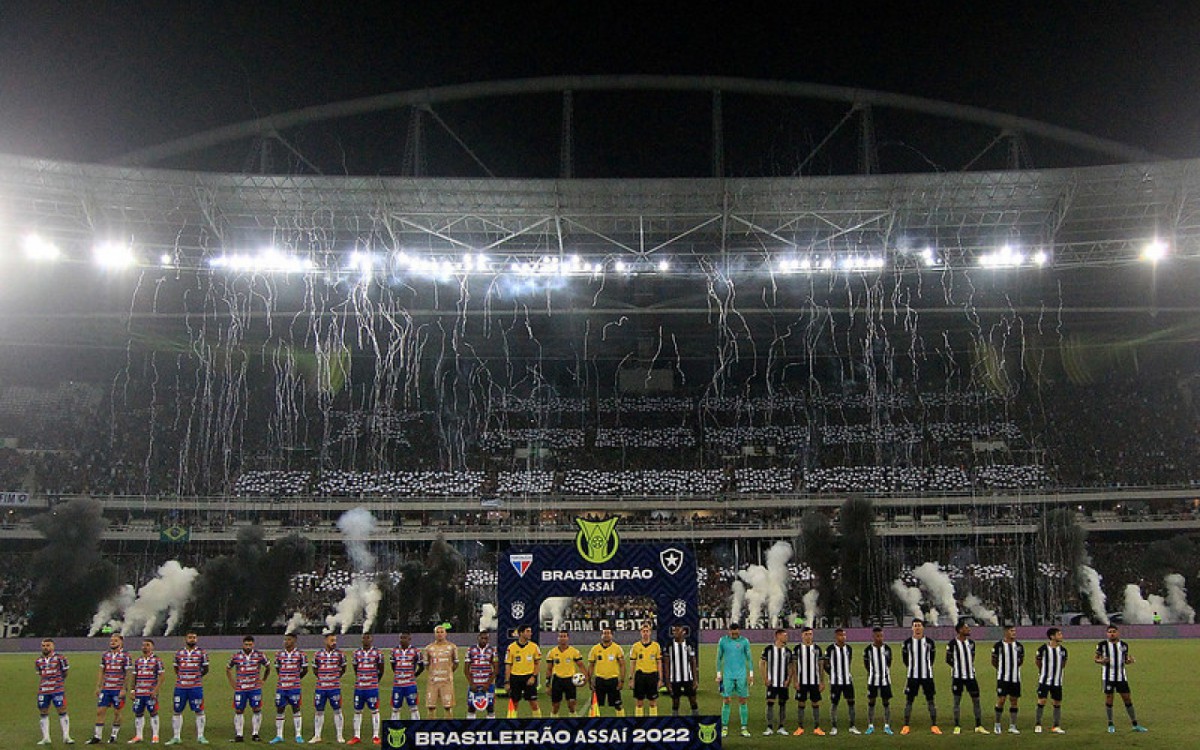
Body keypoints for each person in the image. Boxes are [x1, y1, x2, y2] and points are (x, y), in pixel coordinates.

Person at [1094, 624, 1148, 733]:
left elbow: (1125, 659)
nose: (1112, 633)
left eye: (1114, 631)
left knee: (1127, 699)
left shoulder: (1124, 645)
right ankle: (1110, 723)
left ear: (1118, 633)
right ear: (1107, 633)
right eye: (1110, 632)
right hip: (1108, 677)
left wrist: (1129, 661)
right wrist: (1102, 661)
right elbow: (1096, 659)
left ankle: (1135, 724)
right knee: (1109, 698)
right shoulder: (1102, 645)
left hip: (1121, 677)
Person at [165, 632, 209, 746]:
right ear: (186, 639)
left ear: (197, 639)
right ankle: (176, 737)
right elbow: (176, 668)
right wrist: (183, 677)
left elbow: (206, 668)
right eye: (190, 637)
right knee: (177, 710)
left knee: (199, 710)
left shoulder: (201, 653)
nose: (192, 639)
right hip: (181, 687)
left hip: (195, 687)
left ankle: (200, 736)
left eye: (194, 637)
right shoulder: (179, 653)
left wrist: (196, 677)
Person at [945, 620, 988, 734]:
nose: (969, 629)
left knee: (976, 700)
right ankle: (957, 725)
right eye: (966, 628)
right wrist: (957, 667)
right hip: (957, 677)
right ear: (960, 630)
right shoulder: (952, 644)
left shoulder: (972, 643)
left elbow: (972, 657)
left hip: (971, 676)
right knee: (957, 702)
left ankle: (978, 725)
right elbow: (948, 659)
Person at [226, 635, 270, 743]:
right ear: (243, 644)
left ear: (253, 644)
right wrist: (232, 682)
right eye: (246, 644)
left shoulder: (260, 655)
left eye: (250, 644)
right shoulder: (236, 656)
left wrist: (263, 679)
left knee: (256, 709)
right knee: (239, 710)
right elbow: (228, 668)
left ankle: (255, 734)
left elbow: (268, 667)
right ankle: (239, 735)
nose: (248, 646)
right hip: (241, 689)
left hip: (254, 688)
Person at [900, 619, 940, 735]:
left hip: (927, 676)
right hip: (912, 676)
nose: (917, 628)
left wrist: (926, 667)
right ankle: (906, 725)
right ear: (912, 628)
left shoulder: (930, 642)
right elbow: (905, 659)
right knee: (909, 701)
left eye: (919, 626)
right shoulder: (907, 643)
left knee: (931, 700)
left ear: (923, 628)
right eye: (915, 626)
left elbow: (932, 658)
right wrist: (912, 668)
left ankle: (934, 725)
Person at [91, 633, 133, 744]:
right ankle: (97, 736)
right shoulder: (105, 655)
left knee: (117, 712)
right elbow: (101, 671)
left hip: (118, 688)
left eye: (115, 640)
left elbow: (128, 673)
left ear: (121, 642)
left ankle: (114, 735)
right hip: (106, 688)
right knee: (100, 711)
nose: (112, 642)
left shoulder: (126, 656)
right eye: (111, 640)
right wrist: (98, 686)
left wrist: (124, 689)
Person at [715, 622, 753, 738]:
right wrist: (718, 674)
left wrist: (751, 674)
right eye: (732, 632)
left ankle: (744, 728)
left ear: (739, 631)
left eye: (736, 632)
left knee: (743, 700)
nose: (734, 634)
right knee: (726, 700)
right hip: (727, 676)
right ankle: (725, 727)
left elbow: (749, 658)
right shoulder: (723, 641)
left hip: (741, 675)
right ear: (729, 631)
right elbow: (718, 657)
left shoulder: (744, 641)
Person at [35, 637, 74, 746]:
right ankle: (46, 737)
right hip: (43, 690)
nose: (45, 648)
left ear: (53, 646)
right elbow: (40, 674)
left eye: (48, 645)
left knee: (62, 710)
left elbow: (65, 673)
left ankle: (66, 736)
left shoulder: (60, 658)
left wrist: (58, 683)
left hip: (57, 689)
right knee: (43, 711)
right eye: (43, 646)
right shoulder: (38, 661)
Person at [272, 633, 308, 744]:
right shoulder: (279, 654)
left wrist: (296, 678)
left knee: (296, 709)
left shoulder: (301, 654)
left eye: (289, 639)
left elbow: (305, 670)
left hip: (294, 687)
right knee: (280, 709)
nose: (286, 642)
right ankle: (279, 735)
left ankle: (298, 735)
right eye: (285, 639)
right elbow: (278, 669)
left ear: (294, 641)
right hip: (282, 687)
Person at [311, 632, 347, 743]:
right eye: (331, 640)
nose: (334, 643)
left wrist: (335, 678)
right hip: (321, 688)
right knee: (319, 711)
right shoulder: (317, 654)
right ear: (325, 641)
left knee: (337, 710)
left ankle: (339, 735)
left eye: (335, 640)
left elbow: (343, 668)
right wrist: (323, 678)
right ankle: (317, 736)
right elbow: (315, 669)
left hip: (334, 687)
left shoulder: (340, 654)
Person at [349, 633, 385, 745]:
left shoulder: (378, 653)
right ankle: (356, 736)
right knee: (357, 711)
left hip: (372, 687)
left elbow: (381, 669)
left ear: (372, 639)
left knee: (374, 711)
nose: (365, 640)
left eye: (368, 638)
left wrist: (374, 681)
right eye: (364, 638)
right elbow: (355, 668)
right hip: (359, 688)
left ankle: (375, 736)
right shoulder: (356, 653)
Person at [128, 639, 165, 744]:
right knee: (138, 713)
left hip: (150, 692)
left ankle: (155, 736)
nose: (145, 647)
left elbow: (161, 677)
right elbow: (134, 676)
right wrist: (132, 690)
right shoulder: (138, 660)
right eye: (143, 645)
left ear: (152, 647)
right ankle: (139, 736)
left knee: (153, 712)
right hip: (139, 692)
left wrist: (155, 690)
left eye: (147, 645)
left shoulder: (157, 660)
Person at [824, 627, 859, 735]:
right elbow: (825, 665)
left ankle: (852, 726)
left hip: (847, 681)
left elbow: (849, 661)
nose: (843, 637)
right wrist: (832, 673)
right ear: (836, 636)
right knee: (834, 704)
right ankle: (834, 726)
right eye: (840, 635)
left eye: (844, 635)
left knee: (851, 703)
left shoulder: (849, 648)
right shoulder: (830, 649)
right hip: (835, 682)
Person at [991, 623, 1024, 734]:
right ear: (1006, 632)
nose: (1014, 633)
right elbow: (994, 661)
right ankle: (997, 724)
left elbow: (1021, 661)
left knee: (1014, 701)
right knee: (1001, 700)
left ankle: (1012, 725)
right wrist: (1001, 670)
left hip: (1015, 678)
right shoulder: (998, 646)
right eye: (1011, 631)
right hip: (1003, 678)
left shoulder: (1019, 646)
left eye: (1014, 631)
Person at [1034, 627, 1068, 734]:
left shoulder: (1063, 650)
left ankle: (1056, 725)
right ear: (1052, 636)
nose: (1061, 636)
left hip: (1057, 681)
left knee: (1057, 702)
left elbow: (1063, 664)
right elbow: (1038, 662)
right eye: (1059, 634)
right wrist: (1042, 671)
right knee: (1041, 701)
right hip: (1044, 680)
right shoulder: (1042, 649)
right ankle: (1038, 724)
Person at [792, 626, 825, 736]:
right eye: (806, 634)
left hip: (814, 681)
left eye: (810, 634)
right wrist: (795, 681)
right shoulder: (797, 649)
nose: (808, 636)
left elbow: (821, 666)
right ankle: (800, 727)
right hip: (802, 681)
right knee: (801, 703)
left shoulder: (817, 649)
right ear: (802, 635)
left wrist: (822, 681)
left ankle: (817, 727)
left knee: (815, 703)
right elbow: (794, 666)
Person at [758, 628, 792, 735]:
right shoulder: (768, 649)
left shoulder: (788, 651)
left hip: (783, 682)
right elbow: (761, 663)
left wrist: (788, 679)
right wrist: (765, 678)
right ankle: (769, 727)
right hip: (772, 682)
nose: (786, 637)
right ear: (778, 636)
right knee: (770, 703)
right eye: (784, 635)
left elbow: (791, 666)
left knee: (782, 704)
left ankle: (781, 726)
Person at [544, 630, 584, 717]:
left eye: (564, 636)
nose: (562, 638)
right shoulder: (552, 652)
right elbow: (549, 669)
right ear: (558, 638)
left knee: (571, 704)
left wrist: (585, 679)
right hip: (557, 680)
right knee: (555, 706)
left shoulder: (574, 651)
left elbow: (581, 666)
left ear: (568, 638)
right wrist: (547, 684)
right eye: (561, 636)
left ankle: (573, 721)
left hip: (570, 680)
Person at [587, 627, 625, 717]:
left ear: (611, 635)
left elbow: (622, 665)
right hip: (599, 680)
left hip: (613, 680)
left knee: (618, 705)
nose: (606, 635)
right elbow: (591, 665)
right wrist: (589, 680)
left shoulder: (617, 648)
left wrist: (622, 680)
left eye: (608, 633)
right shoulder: (595, 649)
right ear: (601, 635)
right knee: (594, 705)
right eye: (604, 633)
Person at [504, 625, 541, 718]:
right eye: (528, 631)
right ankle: (511, 722)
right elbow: (508, 665)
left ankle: (538, 722)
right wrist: (507, 681)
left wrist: (533, 677)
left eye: (530, 631)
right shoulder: (511, 647)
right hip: (515, 677)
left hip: (529, 677)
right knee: (514, 703)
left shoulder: (534, 647)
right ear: (521, 633)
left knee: (533, 702)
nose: (530, 633)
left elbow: (537, 663)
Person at [424, 625, 460, 719]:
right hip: (433, 681)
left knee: (448, 707)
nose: (440, 634)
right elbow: (426, 664)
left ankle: (448, 727)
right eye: (437, 632)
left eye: (441, 632)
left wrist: (448, 672)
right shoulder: (429, 648)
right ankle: (431, 727)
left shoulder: (452, 647)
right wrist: (434, 672)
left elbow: (456, 663)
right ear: (434, 634)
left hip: (446, 681)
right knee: (431, 707)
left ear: (445, 633)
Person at [862, 627, 893, 735]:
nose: (880, 638)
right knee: (871, 702)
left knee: (886, 702)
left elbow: (889, 663)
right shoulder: (868, 650)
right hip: (872, 681)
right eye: (877, 636)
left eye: (881, 636)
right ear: (873, 636)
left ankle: (887, 726)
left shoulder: (887, 649)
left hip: (885, 680)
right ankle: (870, 725)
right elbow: (866, 665)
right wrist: (873, 673)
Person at [628, 622, 663, 717]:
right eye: (643, 631)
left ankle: (653, 722)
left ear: (650, 632)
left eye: (647, 631)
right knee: (639, 702)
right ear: (640, 632)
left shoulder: (656, 646)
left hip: (652, 676)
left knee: (652, 702)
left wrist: (660, 679)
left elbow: (659, 663)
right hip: (640, 676)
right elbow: (632, 663)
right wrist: (631, 679)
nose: (645, 633)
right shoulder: (636, 646)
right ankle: (639, 723)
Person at [664, 625, 699, 717]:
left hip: (688, 677)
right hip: (675, 678)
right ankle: (675, 721)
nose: (675, 632)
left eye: (677, 630)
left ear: (683, 631)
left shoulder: (689, 644)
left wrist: (695, 680)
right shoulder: (669, 646)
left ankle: (696, 720)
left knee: (693, 700)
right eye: (674, 630)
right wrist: (667, 682)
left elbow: (693, 661)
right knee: (675, 702)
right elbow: (666, 664)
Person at [389, 632, 423, 721]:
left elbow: (421, 666)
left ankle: (415, 727)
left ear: (409, 639)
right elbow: (393, 666)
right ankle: (395, 727)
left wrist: (414, 675)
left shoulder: (416, 651)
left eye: (405, 638)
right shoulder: (394, 651)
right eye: (401, 638)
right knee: (395, 708)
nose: (402, 640)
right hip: (398, 685)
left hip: (410, 685)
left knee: (413, 707)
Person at [465, 631, 498, 720]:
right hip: (474, 683)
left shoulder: (492, 650)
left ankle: (490, 729)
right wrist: (471, 684)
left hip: (488, 684)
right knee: (471, 707)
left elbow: (496, 669)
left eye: (486, 638)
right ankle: (471, 729)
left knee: (490, 707)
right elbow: (466, 670)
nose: (484, 640)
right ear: (478, 638)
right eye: (482, 638)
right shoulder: (470, 650)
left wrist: (488, 684)